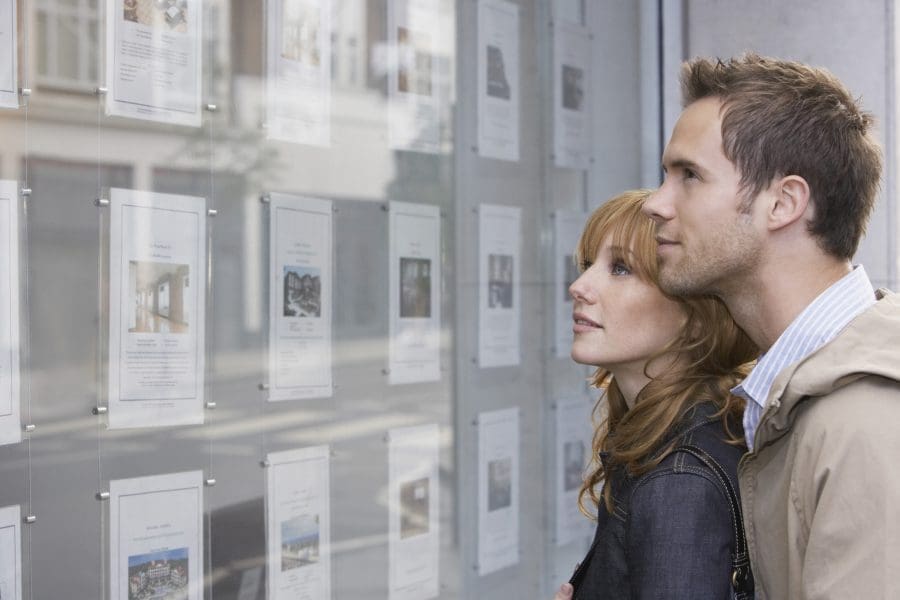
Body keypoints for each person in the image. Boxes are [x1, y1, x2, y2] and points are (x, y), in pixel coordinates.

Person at [640, 53, 900, 598]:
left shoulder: (862, 423)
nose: (656, 204)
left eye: (689, 176)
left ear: (782, 203)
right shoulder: (800, 393)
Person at [556, 189, 757, 599]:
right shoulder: (684, 432)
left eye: (621, 269)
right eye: (587, 264)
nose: (579, 286)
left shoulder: (678, 482)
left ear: (696, 318)